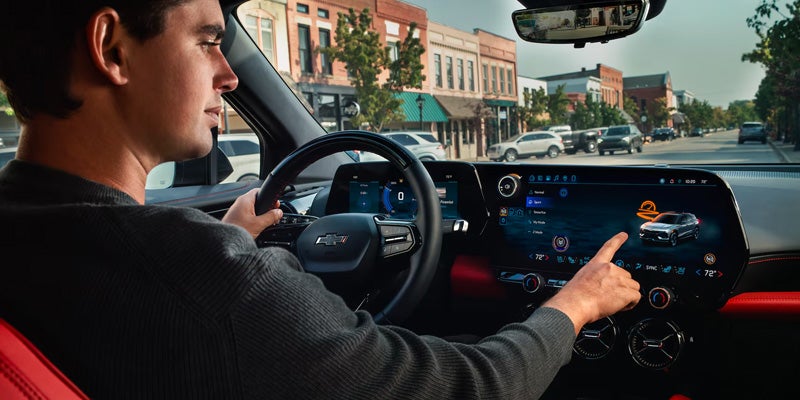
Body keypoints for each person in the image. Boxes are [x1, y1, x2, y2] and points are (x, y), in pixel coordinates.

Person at [0, 0, 641, 398]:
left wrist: (232, 239)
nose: (227, 73)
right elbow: (474, 385)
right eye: (205, 41)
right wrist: (576, 302)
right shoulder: (207, 279)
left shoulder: (40, 234)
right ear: (112, 48)